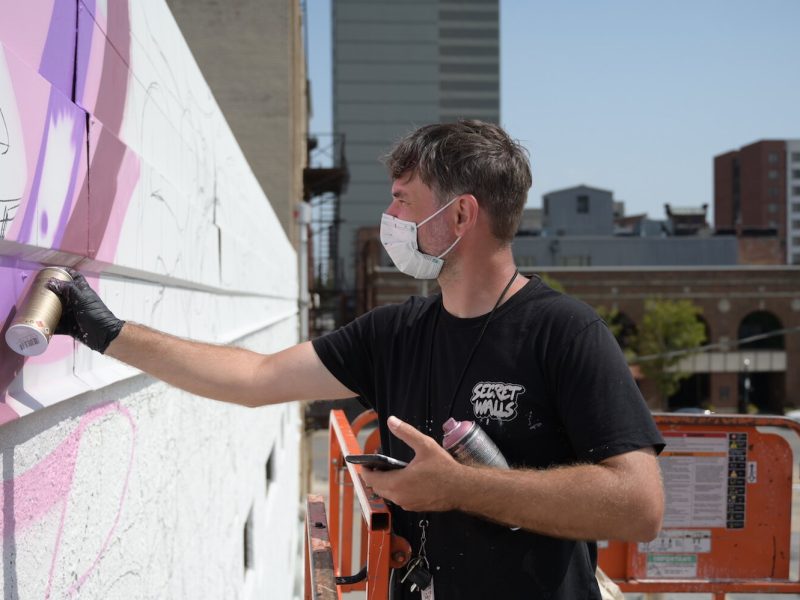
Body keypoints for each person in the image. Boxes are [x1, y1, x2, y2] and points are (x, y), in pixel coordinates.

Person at [49, 121, 664, 599]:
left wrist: (458, 488)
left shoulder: (566, 331)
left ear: (460, 214)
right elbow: (254, 378)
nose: (391, 218)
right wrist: (108, 333)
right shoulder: (394, 333)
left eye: (402, 201)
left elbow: (640, 507)